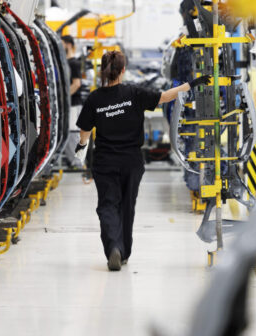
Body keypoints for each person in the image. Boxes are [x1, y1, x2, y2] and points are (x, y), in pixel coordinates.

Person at [75, 50, 210, 271]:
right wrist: (192, 84)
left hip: (105, 161)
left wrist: (82, 147)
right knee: (127, 206)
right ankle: (124, 251)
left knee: (108, 205)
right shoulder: (134, 93)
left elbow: (85, 130)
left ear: (103, 71)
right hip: (131, 161)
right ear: (123, 70)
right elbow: (166, 96)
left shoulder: (95, 98)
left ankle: (113, 248)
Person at [62, 35, 86, 168]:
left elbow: (76, 84)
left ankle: (78, 162)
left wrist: (64, 98)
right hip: (68, 104)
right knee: (68, 132)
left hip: (74, 104)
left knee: (73, 133)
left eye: (62, 44)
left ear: (69, 45)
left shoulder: (74, 63)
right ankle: (73, 162)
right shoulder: (65, 62)